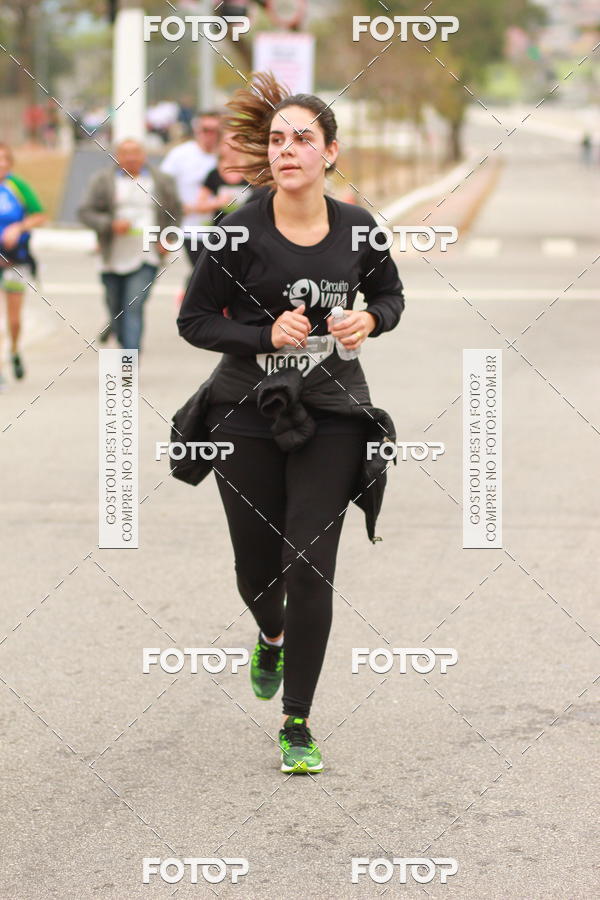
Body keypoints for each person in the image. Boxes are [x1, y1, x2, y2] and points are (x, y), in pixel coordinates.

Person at [176, 72, 405, 774]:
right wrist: (260, 334)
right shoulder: (238, 230)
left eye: (303, 138)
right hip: (245, 411)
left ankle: (297, 723)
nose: (287, 150)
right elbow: (193, 320)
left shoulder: (359, 228)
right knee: (257, 572)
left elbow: (390, 297)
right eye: (277, 139)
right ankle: (269, 635)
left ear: (330, 153)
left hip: (333, 411)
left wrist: (369, 318)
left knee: (308, 566)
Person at [78, 138, 181, 351]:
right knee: (116, 309)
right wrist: (110, 224)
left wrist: (168, 238)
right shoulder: (103, 181)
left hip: (147, 255)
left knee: (133, 306)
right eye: (126, 153)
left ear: (144, 155)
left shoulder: (161, 181)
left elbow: (176, 211)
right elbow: (85, 212)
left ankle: (128, 367)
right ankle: (116, 331)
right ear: (117, 156)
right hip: (112, 257)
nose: (131, 158)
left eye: (136, 152)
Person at [0, 143, 46, 389]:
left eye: (4, 160)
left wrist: (19, 227)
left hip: (14, 259)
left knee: (13, 319)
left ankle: (15, 349)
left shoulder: (17, 186)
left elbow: (40, 214)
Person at [160, 111, 220, 267]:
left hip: (223, 228)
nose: (210, 135)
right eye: (206, 129)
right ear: (197, 130)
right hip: (191, 228)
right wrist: (175, 208)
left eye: (216, 130)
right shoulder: (181, 154)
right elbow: (161, 186)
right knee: (203, 272)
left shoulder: (226, 155)